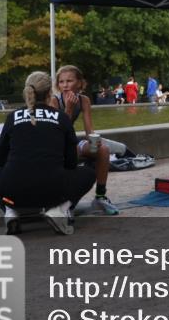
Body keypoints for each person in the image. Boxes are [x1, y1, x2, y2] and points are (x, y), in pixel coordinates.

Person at [0, 71, 96, 235]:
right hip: (53, 192)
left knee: (2, 173)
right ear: (50, 92)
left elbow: (0, 158)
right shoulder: (61, 117)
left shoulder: (12, 117)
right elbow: (71, 162)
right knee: (89, 173)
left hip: (12, 191)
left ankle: (11, 212)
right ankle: (59, 209)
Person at [49, 65, 120, 215]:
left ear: (80, 83)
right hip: (56, 145)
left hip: (71, 142)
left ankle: (100, 196)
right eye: (61, 82)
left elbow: (89, 131)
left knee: (103, 150)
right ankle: (65, 201)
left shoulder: (84, 100)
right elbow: (57, 133)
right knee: (72, 152)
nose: (65, 85)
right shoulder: (54, 101)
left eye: (69, 81)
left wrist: (95, 141)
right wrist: (68, 109)